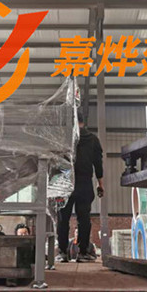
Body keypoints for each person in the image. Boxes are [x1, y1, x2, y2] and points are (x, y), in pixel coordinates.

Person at [56, 110, 104, 263]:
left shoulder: (63, 138)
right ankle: (83, 253)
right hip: (84, 183)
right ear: (83, 122)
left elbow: (55, 162)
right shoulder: (93, 139)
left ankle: (62, 253)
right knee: (84, 219)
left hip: (65, 182)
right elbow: (98, 164)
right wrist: (100, 184)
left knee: (62, 218)